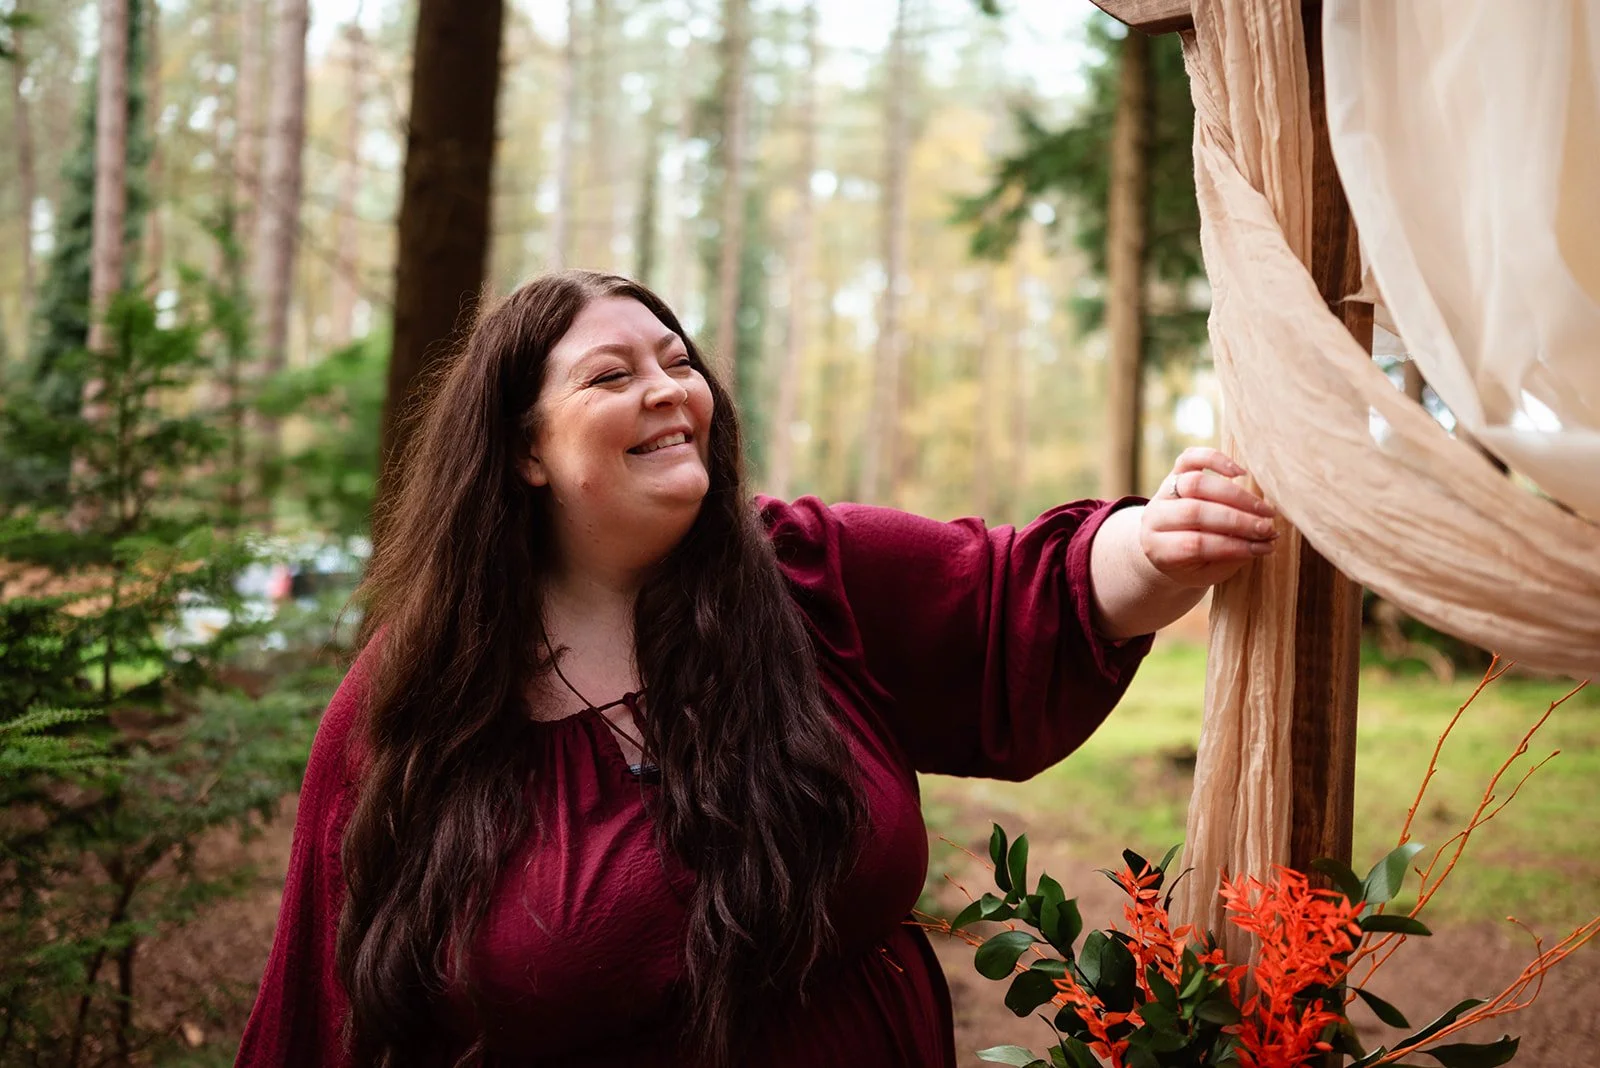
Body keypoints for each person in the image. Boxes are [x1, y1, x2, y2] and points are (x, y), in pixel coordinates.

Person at [235, 270, 1280, 1068]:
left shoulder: (803, 571)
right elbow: (319, 1007)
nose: (668, 390)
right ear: (523, 452)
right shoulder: (413, 700)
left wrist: (1158, 539)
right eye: (612, 376)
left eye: (677, 362)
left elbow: (1022, 588)